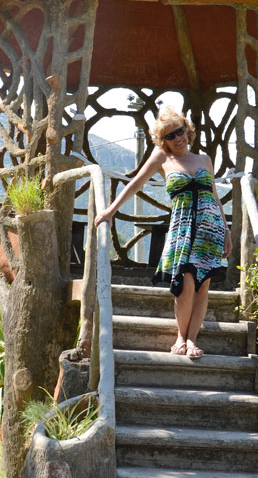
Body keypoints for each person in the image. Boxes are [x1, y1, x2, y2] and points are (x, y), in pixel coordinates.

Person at [94, 107, 232, 359]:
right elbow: (136, 183)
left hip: (209, 228)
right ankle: (180, 336)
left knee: (203, 285)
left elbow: (214, 196)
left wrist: (227, 230)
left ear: (187, 131)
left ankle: (192, 340)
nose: (177, 138)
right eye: (170, 136)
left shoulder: (204, 160)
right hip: (182, 229)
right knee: (186, 283)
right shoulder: (161, 158)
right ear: (163, 140)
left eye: (180, 131)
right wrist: (110, 211)